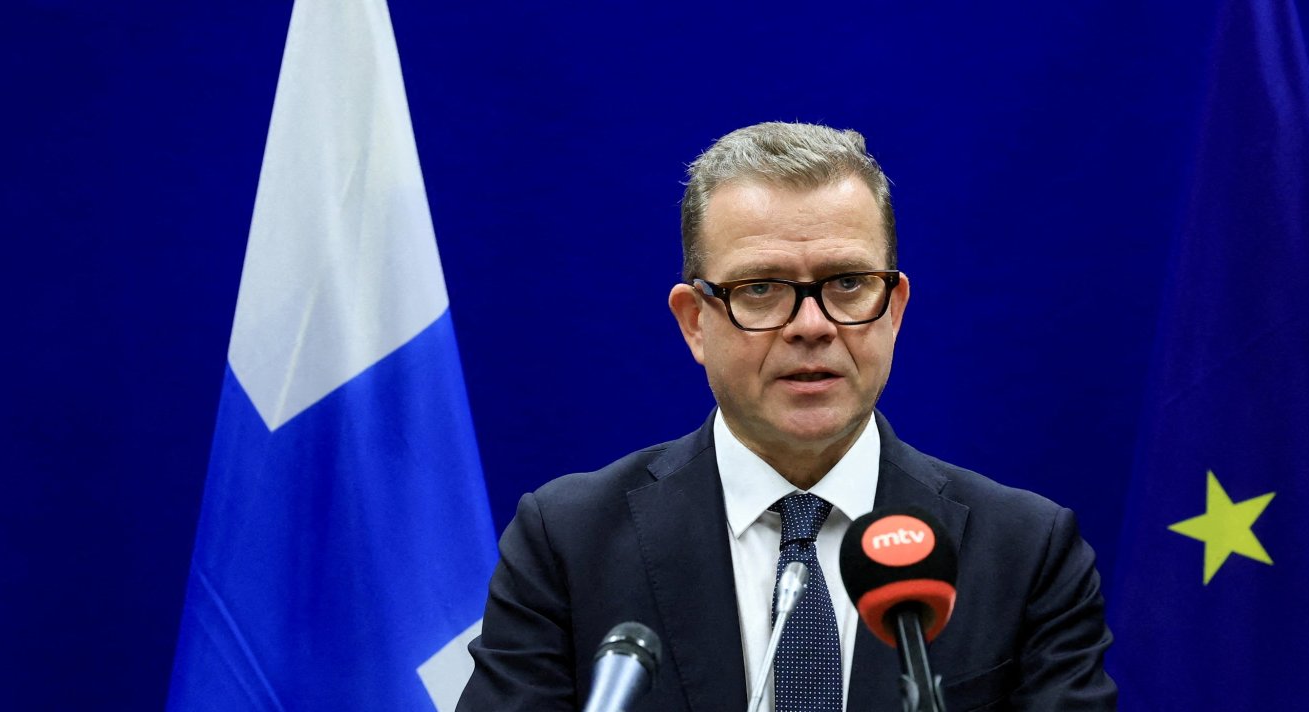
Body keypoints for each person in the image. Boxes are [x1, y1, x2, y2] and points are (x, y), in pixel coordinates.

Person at [458, 122, 1115, 711]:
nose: (812, 326)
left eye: (848, 283)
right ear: (694, 322)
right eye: (762, 289)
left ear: (894, 309)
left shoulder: (1026, 551)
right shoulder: (569, 544)